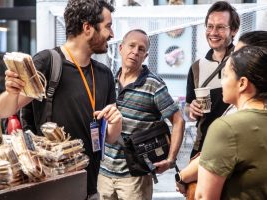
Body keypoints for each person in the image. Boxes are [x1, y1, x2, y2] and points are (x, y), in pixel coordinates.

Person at [0, 0, 122, 199]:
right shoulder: (48, 62)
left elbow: (110, 137)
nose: (112, 34)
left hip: (89, 188)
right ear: (87, 28)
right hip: (51, 188)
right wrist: (12, 93)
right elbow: (3, 110)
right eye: (108, 26)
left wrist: (117, 122)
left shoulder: (104, 74)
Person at [175, 30, 267, 198]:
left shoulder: (227, 127)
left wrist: (181, 177)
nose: (222, 82)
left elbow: (205, 195)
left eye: (226, 75)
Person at [97, 29, 185, 200]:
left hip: (135, 177)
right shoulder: (108, 80)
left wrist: (170, 159)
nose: (135, 51)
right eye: (131, 45)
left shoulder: (153, 84)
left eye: (141, 49)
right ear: (121, 48)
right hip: (104, 173)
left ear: (145, 56)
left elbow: (178, 121)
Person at [185, 1, 240, 159]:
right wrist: (192, 109)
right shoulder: (197, 68)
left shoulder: (244, 61)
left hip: (235, 147)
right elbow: (188, 106)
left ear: (234, 30)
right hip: (204, 147)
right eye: (210, 26)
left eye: (221, 27)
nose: (213, 32)